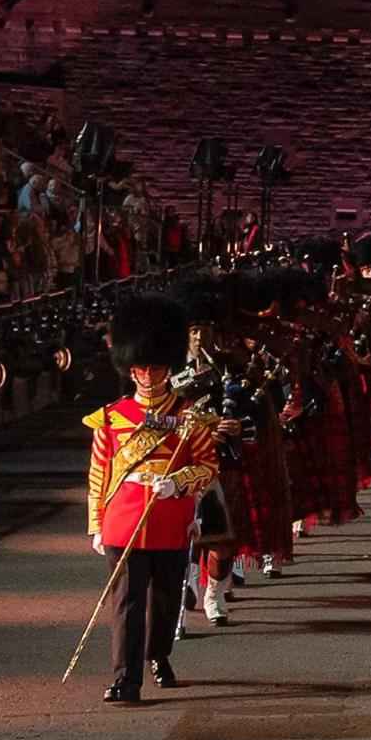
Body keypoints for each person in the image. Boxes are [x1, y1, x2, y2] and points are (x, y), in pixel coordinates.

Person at [82, 291, 220, 706]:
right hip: (123, 521)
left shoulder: (189, 417)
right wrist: (95, 523)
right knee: (126, 602)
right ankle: (126, 678)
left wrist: (178, 482)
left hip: (170, 518)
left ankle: (158, 654)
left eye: (155, 367)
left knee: (165, 597)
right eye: (141, 367)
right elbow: (99, 474)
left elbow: (209, 466)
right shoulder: (111, 418)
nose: (147, 375)